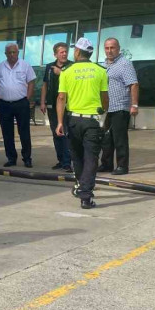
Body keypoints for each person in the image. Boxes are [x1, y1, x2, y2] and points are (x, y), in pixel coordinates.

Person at [55, 38, 108, 209]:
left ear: (77, 52)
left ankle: (80, 186)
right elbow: (104, 98)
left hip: (73, 120)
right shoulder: (100, 71)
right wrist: (103, 111)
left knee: (77, 156)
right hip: (93, 120)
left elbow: (61, 98)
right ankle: (85, 195)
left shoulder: (67, 71)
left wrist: (60, 122)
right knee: (91, 158)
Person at [0, 43, 36, 168]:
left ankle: (27, 158)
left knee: (24, 132)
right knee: (7, 133)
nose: (12, 55)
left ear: (18, 52)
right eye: (9, 52)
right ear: (5, 54)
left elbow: (31, 82)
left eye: (14, 52)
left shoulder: (25, 65)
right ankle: (11, 158)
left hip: (21, 103)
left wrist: (27, 97)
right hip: (4, 105)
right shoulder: (0, 67)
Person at [98, 38, 138, 175]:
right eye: (107, 48)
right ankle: (106, 164)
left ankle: (122, 166)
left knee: (119, 139)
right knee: (107, 139)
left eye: (112, 48)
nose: (109, 50)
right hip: (107, 108)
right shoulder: (104, 65)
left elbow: (133, 84)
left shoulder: (125, 64)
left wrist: (134, 105)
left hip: (120, 107)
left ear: (118, 48)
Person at [39, 42, 73, 172]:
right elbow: (45, 85)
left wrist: (61, 73)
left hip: (67, 105)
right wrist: (42, 102)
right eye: (61, 52)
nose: (64, 54)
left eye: (65, 51)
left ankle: (67, 161)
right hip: (52, 105)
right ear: (55, 54)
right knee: (56, 133)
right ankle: (60, 160)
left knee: (65, 133)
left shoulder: (71, 66)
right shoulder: (49, 67)